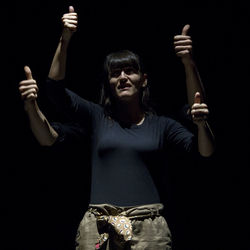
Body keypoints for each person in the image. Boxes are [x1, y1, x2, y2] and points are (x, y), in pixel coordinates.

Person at [19, 6, 215, 250]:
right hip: (100, 226)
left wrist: (188, 65)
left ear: (143, 80)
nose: (122, 77)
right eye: (115, 73)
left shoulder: (162, 125)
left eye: (130, 71)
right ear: (109, 83)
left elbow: (204, 151)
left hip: (148, 229)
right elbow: (55, 91)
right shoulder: (97, 117)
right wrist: (65, 39)